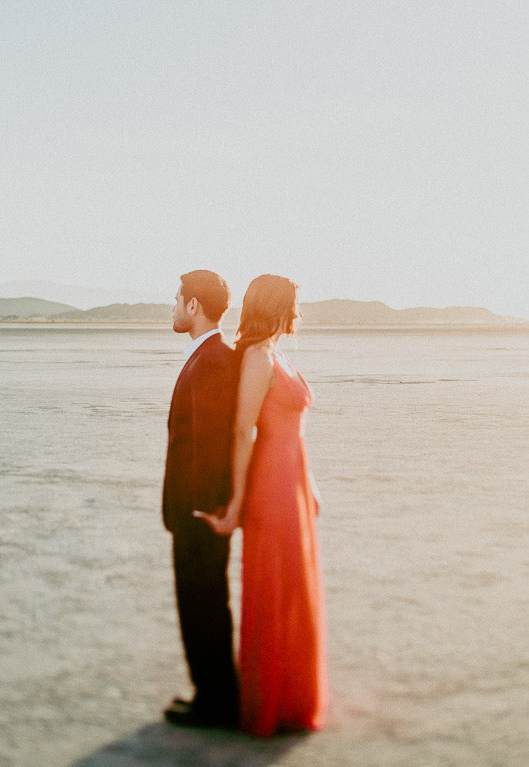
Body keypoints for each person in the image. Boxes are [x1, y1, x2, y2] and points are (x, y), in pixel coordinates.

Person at [196, 274, 328, 736]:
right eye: (294, 304)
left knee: (294, 584)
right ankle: (270, 701)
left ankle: (293, 696)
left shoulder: (276, 355)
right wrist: (237, 500)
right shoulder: (255, 358)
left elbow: (297, 430)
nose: (298, 313)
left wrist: (308, 486)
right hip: (270, 485)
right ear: (278, 308)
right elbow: (243, 431)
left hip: (291, 482)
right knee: (275, 586)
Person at [162, 270, 239, 728]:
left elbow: (210, 439)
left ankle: (216, 701)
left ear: (194, 306)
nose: (172, 308)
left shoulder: (211, 359)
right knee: (204, 601)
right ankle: (213, 694)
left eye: (176, 300)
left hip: (199, 510)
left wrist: (205, 505)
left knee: (202, 602)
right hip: (196, 507)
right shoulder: (209, 356)